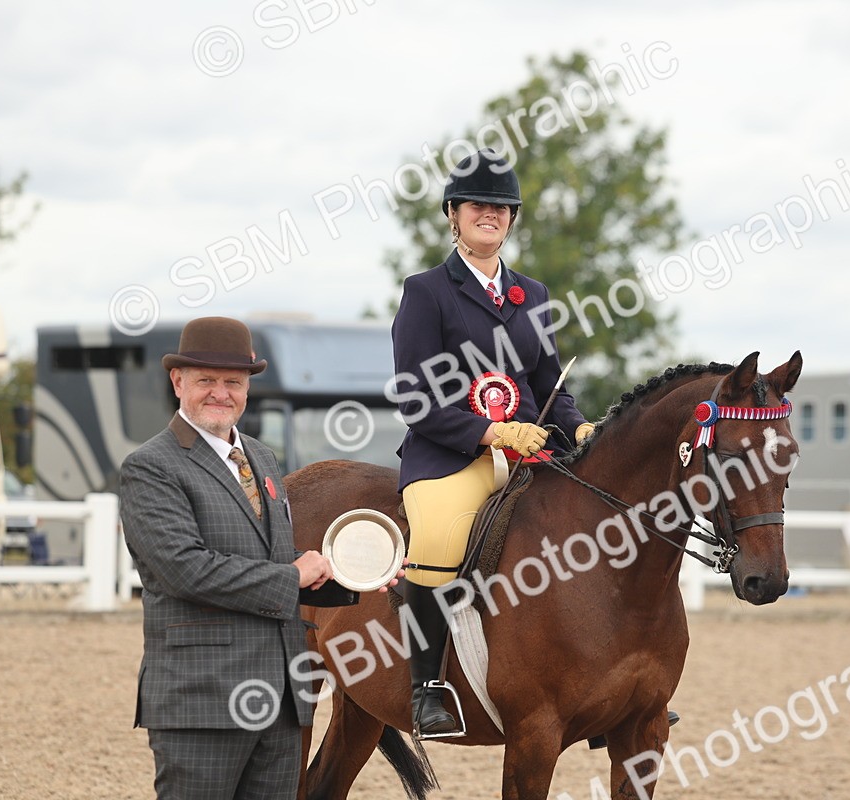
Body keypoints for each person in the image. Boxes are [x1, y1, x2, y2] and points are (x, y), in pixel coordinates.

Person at [120, 316, 395, 799]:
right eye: (205, 380)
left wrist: (358, 575)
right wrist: (293, 574)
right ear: (177, 381)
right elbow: (184, 570)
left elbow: (271, 556)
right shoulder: (151, 466)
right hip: (202, 700)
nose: (220, 393)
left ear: (247, 388)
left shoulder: (262, 460)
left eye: (233, 382)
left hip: (281, 700)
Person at [391, 150, 596, 737]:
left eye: (502, 207)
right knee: (435, 535)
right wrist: (489, 431)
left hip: (533, 451)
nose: (491, 214)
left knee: (600, 524)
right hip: (452, 454)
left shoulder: (532, 295)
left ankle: (603, 679)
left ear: (512, 219)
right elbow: (415, 398)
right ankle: (426, 685)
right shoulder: (427, 292)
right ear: (453, 214)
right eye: (478, 205)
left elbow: (549, 387)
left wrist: (577, 426)